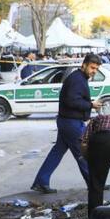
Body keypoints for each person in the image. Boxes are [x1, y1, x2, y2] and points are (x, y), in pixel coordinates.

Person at [30, 55, 101, 195]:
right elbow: (71, 101)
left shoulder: (79, 78)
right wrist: (91, 104)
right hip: (71, 123)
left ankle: (41, 181)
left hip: (67, 121)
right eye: (92, 68)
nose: (94, 71)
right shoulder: (77, 79)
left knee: (57, 152)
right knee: (84, 153)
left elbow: (74, 99)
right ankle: (95, 184)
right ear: (84, 65)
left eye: (97, 69)